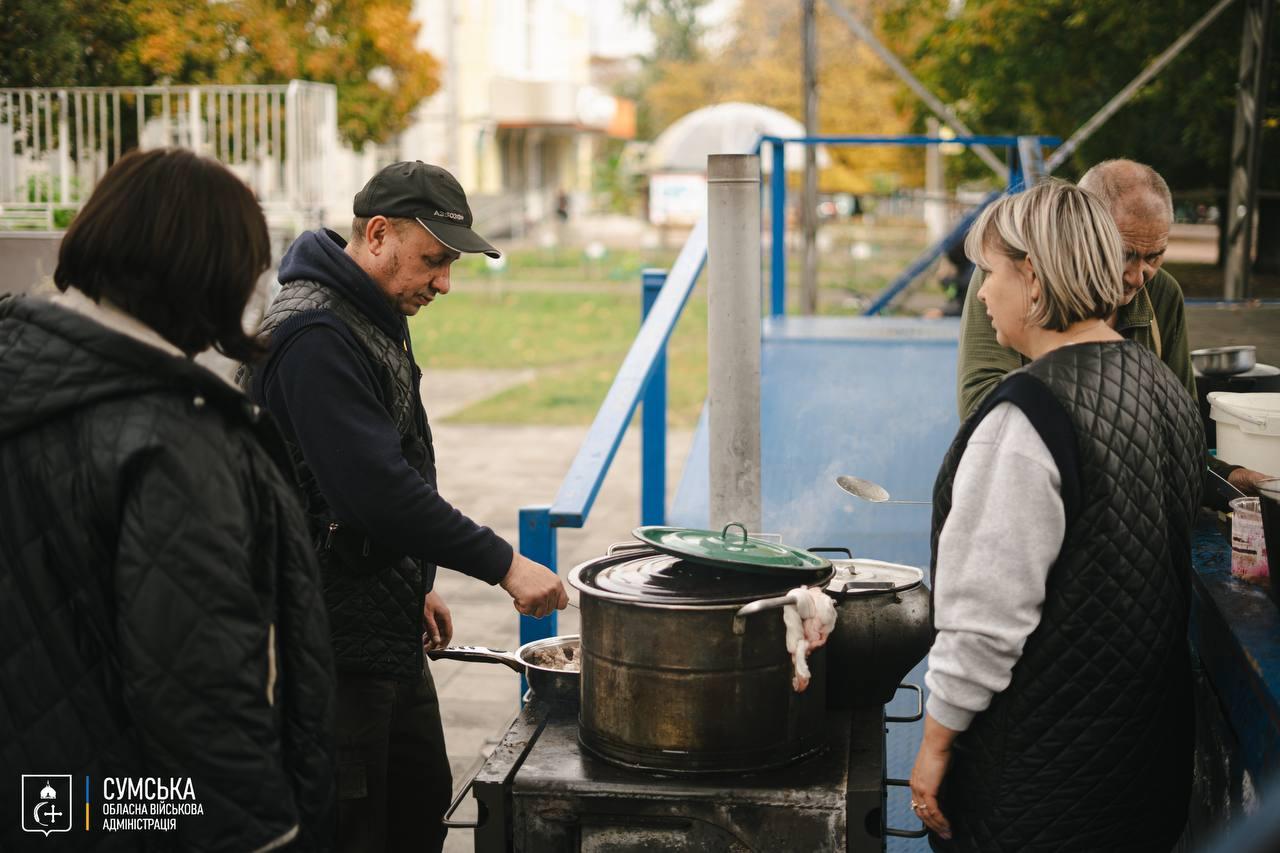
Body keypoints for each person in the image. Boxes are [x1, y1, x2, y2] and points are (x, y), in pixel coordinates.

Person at [0, 148, 335, 850]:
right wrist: (264, 834)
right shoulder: (173, 438)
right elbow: (197, 688)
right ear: (208, 272)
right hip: (130, 810)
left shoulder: (23, 364)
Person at [241, 160, 568, 853]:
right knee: (356, 825)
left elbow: (383, 461)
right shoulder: (314, 336)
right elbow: (374, 488)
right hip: (324, 637)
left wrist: (412, 577)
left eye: (450, 265)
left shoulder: (370, 309)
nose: (444, 283)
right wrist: (502, 562)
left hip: (379, 615)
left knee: (417, 803)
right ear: (379, 234)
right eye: (435, 261)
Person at [910, 179, 1203, 851]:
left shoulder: (1026, 419)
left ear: (1034, 278)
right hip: (1140, 776)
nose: (980, 294)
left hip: (1037, 789)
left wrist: (933, 745)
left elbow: (985, 621)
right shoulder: (1159, 385)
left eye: (990, 273)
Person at [956, 159, 1272, 498]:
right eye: (1125, 255)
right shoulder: (1004, 279)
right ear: (1079, 235)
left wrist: (1228, 477)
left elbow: (1184, 438)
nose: (1138, 277)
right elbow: (983, 409)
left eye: (1154, 257)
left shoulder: (1162, 295)